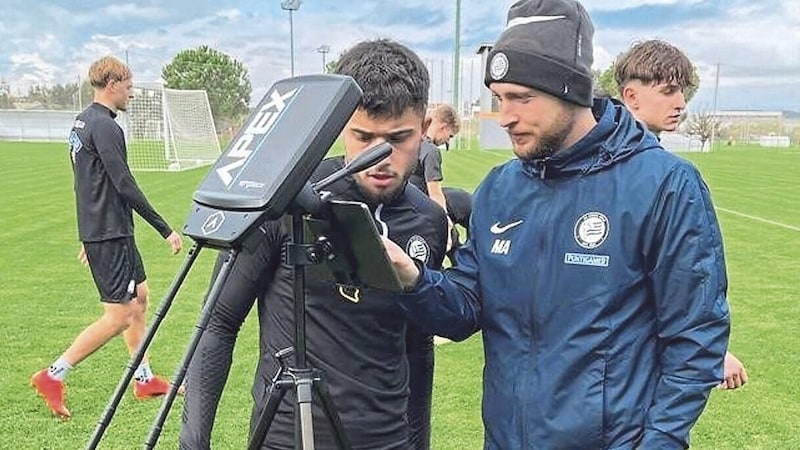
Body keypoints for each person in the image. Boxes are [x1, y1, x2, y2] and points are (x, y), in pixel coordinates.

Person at [381, 1, 731, 448]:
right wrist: (412, 281)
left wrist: (659, 441)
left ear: (571, 90)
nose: (505, 116)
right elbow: (467, 306)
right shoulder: (500, 188)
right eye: (499, 98)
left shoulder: (665, 185)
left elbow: (696, 337)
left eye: (522, 98)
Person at [179, 39, 448, 450]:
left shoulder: (428, 221)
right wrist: (193, 443)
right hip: (286, 434)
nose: (379, 157)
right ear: (340, 125)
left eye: (397, 138)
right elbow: (219, 322)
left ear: (424, 129)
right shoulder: (284, 201)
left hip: (386, 439)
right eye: (362, 136)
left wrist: (419, 441)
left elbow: (418, 343)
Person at [31, 56, 183, 419]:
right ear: (112, 84)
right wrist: (165, 228)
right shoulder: (105, 127)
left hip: (108, 230)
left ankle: (144, 379)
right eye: (128, 86)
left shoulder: (82, 122)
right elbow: (123, 182)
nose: (131, 93)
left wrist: (88, 233)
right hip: (110, 233)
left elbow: (84, 181)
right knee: (119, 316)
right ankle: (53, 375)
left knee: (140, 298)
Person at [614, 39, 748, 390]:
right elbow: (683, 283)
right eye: (669, 91)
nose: (681, 103)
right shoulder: (668, 177)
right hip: (624, 385)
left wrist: (711, 350)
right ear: (631, 96)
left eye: (683, 92)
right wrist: (709, 351)